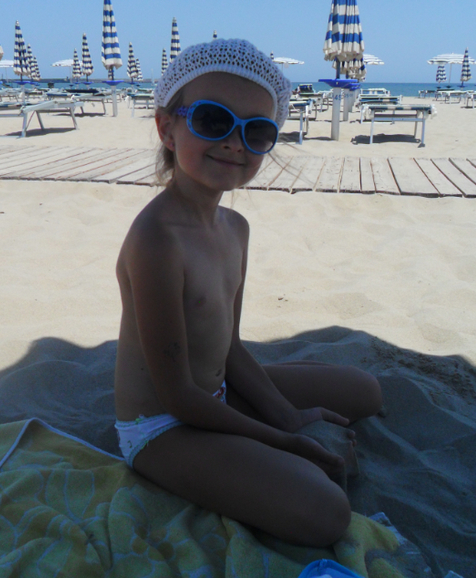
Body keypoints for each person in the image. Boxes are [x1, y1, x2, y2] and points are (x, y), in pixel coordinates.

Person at [113, 39, 382, 548]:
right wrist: (286, 439)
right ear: (167, 128)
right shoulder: (156, 240)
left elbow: (230, 348)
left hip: (215, 394)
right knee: (326, 513)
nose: (235, 143)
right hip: (164, 426)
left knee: (365, 391)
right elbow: (176, 396)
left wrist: (289, 416)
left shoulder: (235, 228)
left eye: (257, 131)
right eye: (213, 120)